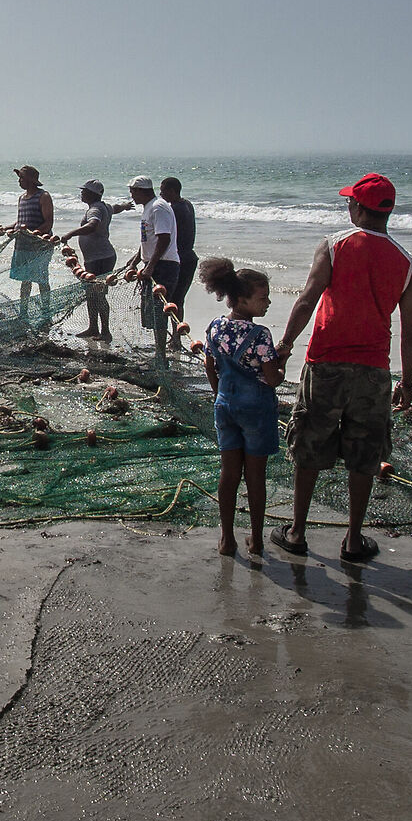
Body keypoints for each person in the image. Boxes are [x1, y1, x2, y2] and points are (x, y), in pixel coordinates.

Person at [273, 172, 412, 563]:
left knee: (308, 445)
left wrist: (285, 346)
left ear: (357, 207)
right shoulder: (408, 263)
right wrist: (407, 380)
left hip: (326, 363)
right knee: (364, 455)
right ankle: (353, 540)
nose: (348, 207)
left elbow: (307, 300)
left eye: (349, 202)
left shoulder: (334, 245)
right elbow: (411, 329)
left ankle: (297, 531)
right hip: (374, 371)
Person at [200, 256, 285, 561]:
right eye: (262, 298)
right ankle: (257, 540)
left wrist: (218, 393)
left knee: (229, 473)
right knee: (255, 476)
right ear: (242, 299)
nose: (268, 303)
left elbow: (210, 365)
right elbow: (272, 378)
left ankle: (226, 537)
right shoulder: (260, 335)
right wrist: (281, 365)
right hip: (256, 410)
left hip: (225, 405)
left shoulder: (215, 327)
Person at [118, 176, 180, 356]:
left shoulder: (158, 208)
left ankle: (161, 353)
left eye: (133, 192)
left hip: (164, 266)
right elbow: (148, 240)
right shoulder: (148, 208)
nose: (131, 196)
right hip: (153, 263)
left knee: (160, 312)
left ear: (142, 191)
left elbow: (164, 238)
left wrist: (151, 266)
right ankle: (159, 349)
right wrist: (135, 261)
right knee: (152, 313)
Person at [61, 180, 117, 340]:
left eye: (84, 191)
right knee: (91, 294)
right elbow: (116, 209)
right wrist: (125, 206)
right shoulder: (105, 206)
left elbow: (92, 225)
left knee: (98, 295)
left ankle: (105, 331)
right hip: (98, 257)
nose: (82, 193)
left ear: (93, 194)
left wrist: (70, 234)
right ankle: (93, 327)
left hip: (100, 258)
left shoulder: (95, 209)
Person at [9, 167, 55, 320]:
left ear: (30, 180)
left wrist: (31, 233)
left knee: (42, 280)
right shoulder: (21, 198)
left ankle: (46, 313)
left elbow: (48, 223)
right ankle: (23, 313)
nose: (19, 181)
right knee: (25, 280)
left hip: (39, 246)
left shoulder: (44, 196)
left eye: (21, 178)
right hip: (23, 246)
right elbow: (21, 221)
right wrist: (8, 228)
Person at [159, 176, 197, 320]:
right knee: (179, 299)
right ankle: (176, 334)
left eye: (163, 191)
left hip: (179, 258)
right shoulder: (187, 204)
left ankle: (175, 336)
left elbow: (165, 237)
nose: (161, 195)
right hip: (190, 257)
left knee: (173, 300)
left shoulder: (172, 210)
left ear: (172, 191)